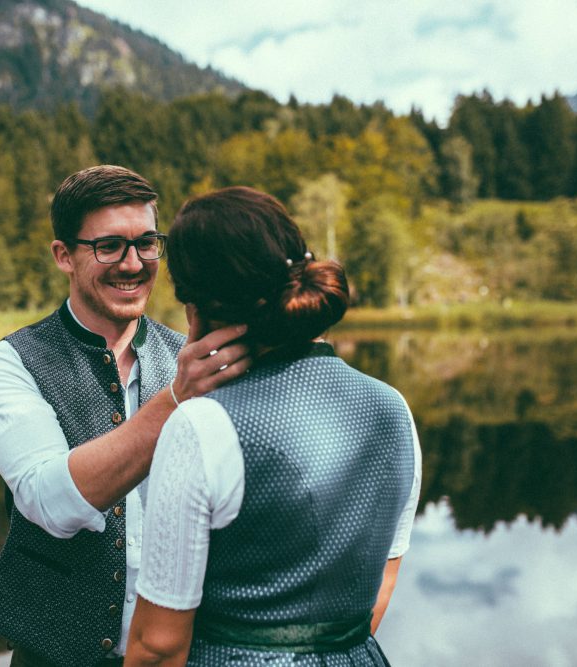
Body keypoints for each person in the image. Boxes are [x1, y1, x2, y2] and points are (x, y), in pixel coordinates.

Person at [126, 186, 422, 666]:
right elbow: (381, 585)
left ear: (194, 309)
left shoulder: (203, 426)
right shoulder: (394, 409)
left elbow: (157, 647)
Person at [0, 166, 251, 667]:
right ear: (64, 255)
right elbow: (50, 501)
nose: (133, 264)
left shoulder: (189, 353)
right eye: (109, 247)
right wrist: (179, 395)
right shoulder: (7, 361)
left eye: (147, 243)